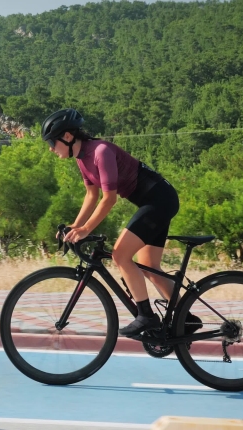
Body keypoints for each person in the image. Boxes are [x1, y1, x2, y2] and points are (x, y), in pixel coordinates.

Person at [42, 108, 201, 337]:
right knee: (150, 268)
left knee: (120, 255)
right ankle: (186, 318)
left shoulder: (101, 151)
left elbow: (109, 199)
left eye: (51, 142)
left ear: (67, 137)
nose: (50, 148)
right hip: (154, 202)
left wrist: (86, 229)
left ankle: (146, 317)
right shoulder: (82, 159)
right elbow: (91, 196)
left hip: (159, 200)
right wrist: (75, 227)